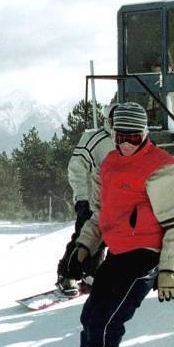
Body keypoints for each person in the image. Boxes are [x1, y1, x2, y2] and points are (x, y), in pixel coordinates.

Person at [45, 102, 174, 347]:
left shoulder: (162, 168)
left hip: (145, 256)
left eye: (134, 138)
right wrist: (82, 248)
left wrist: (168, 269)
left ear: (145, 134)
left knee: (106, 321)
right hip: (118, 253)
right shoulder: (109, 164)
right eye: (121, 136)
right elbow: (100, 215)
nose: (126, 144)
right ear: (113, 134)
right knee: (91, 316)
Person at [55, 103, 118, 295]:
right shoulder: (95, 139)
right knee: (83, 237)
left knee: (106, 239)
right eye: (113, 119)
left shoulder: (129, 140)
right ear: (108, 119)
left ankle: (91, 273)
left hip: (115, 202)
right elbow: (76, 167)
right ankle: (67, 275)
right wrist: (81, 197)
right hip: (92, 200)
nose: (117, 124)